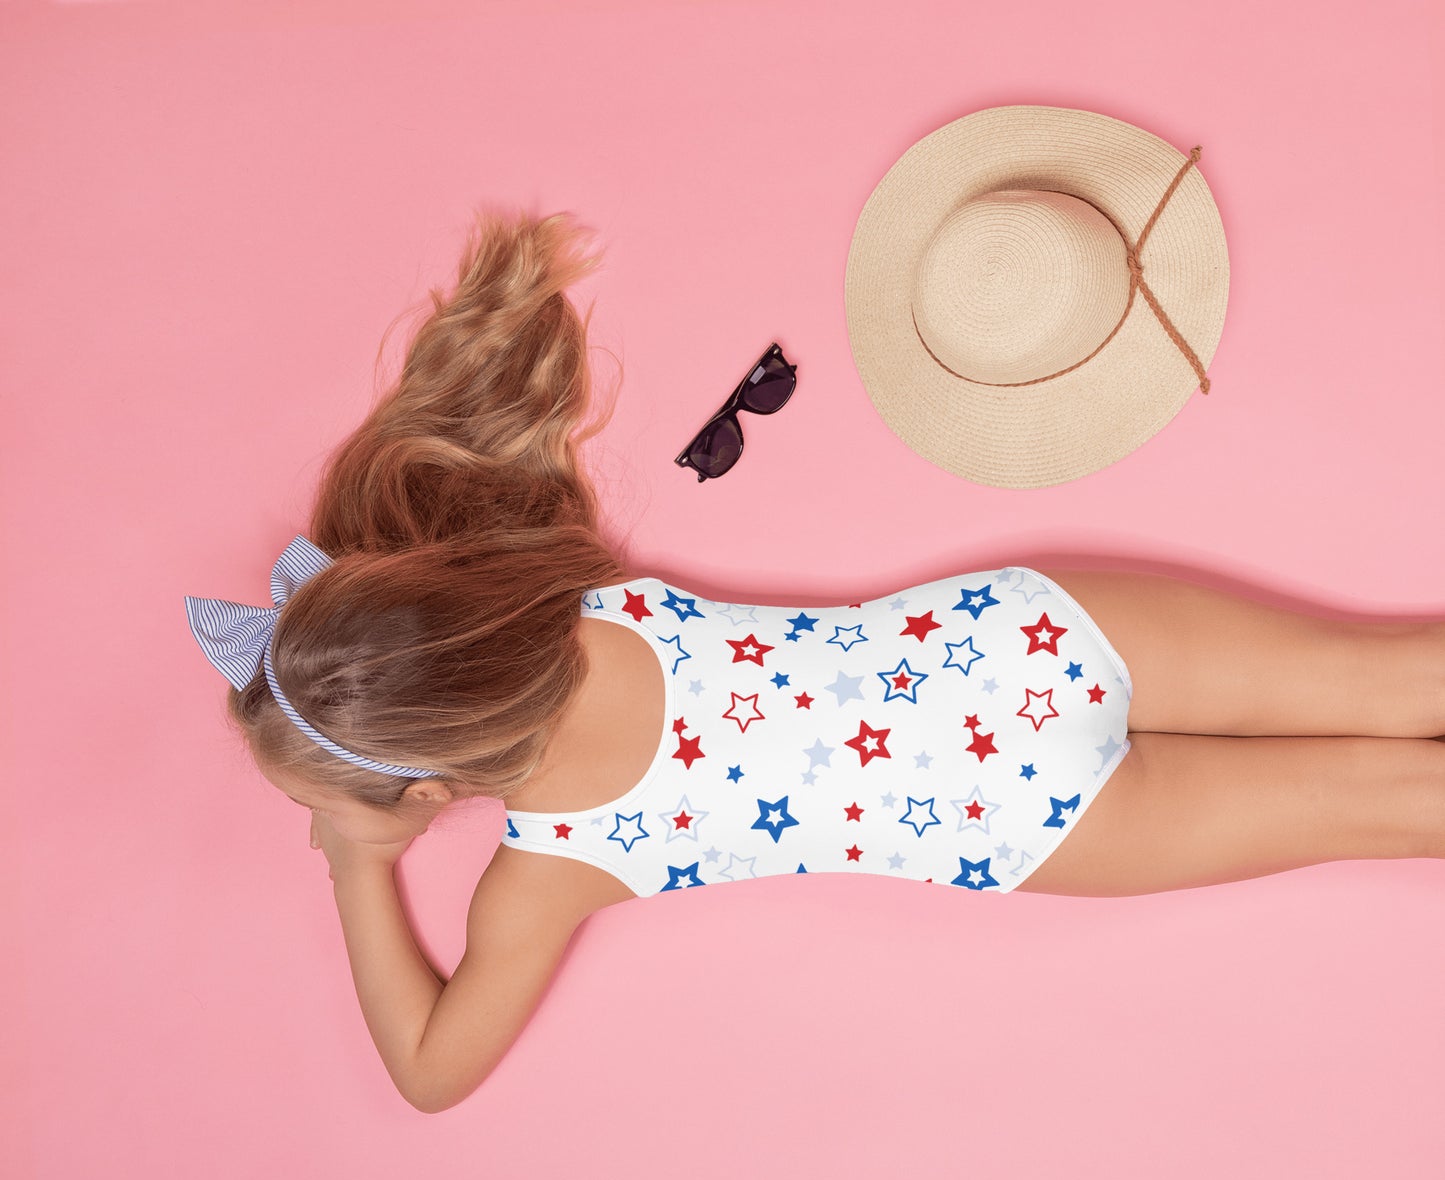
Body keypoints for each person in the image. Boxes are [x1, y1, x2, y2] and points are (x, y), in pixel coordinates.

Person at [185, 209, 1445, 1114]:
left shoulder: (548, 875)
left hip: (1020, 819)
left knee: (1387, 806)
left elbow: (427, 1073)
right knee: (1401, 677)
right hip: (1016, 642)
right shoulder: (557, 589)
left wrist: (356, 859)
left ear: (427, 787)